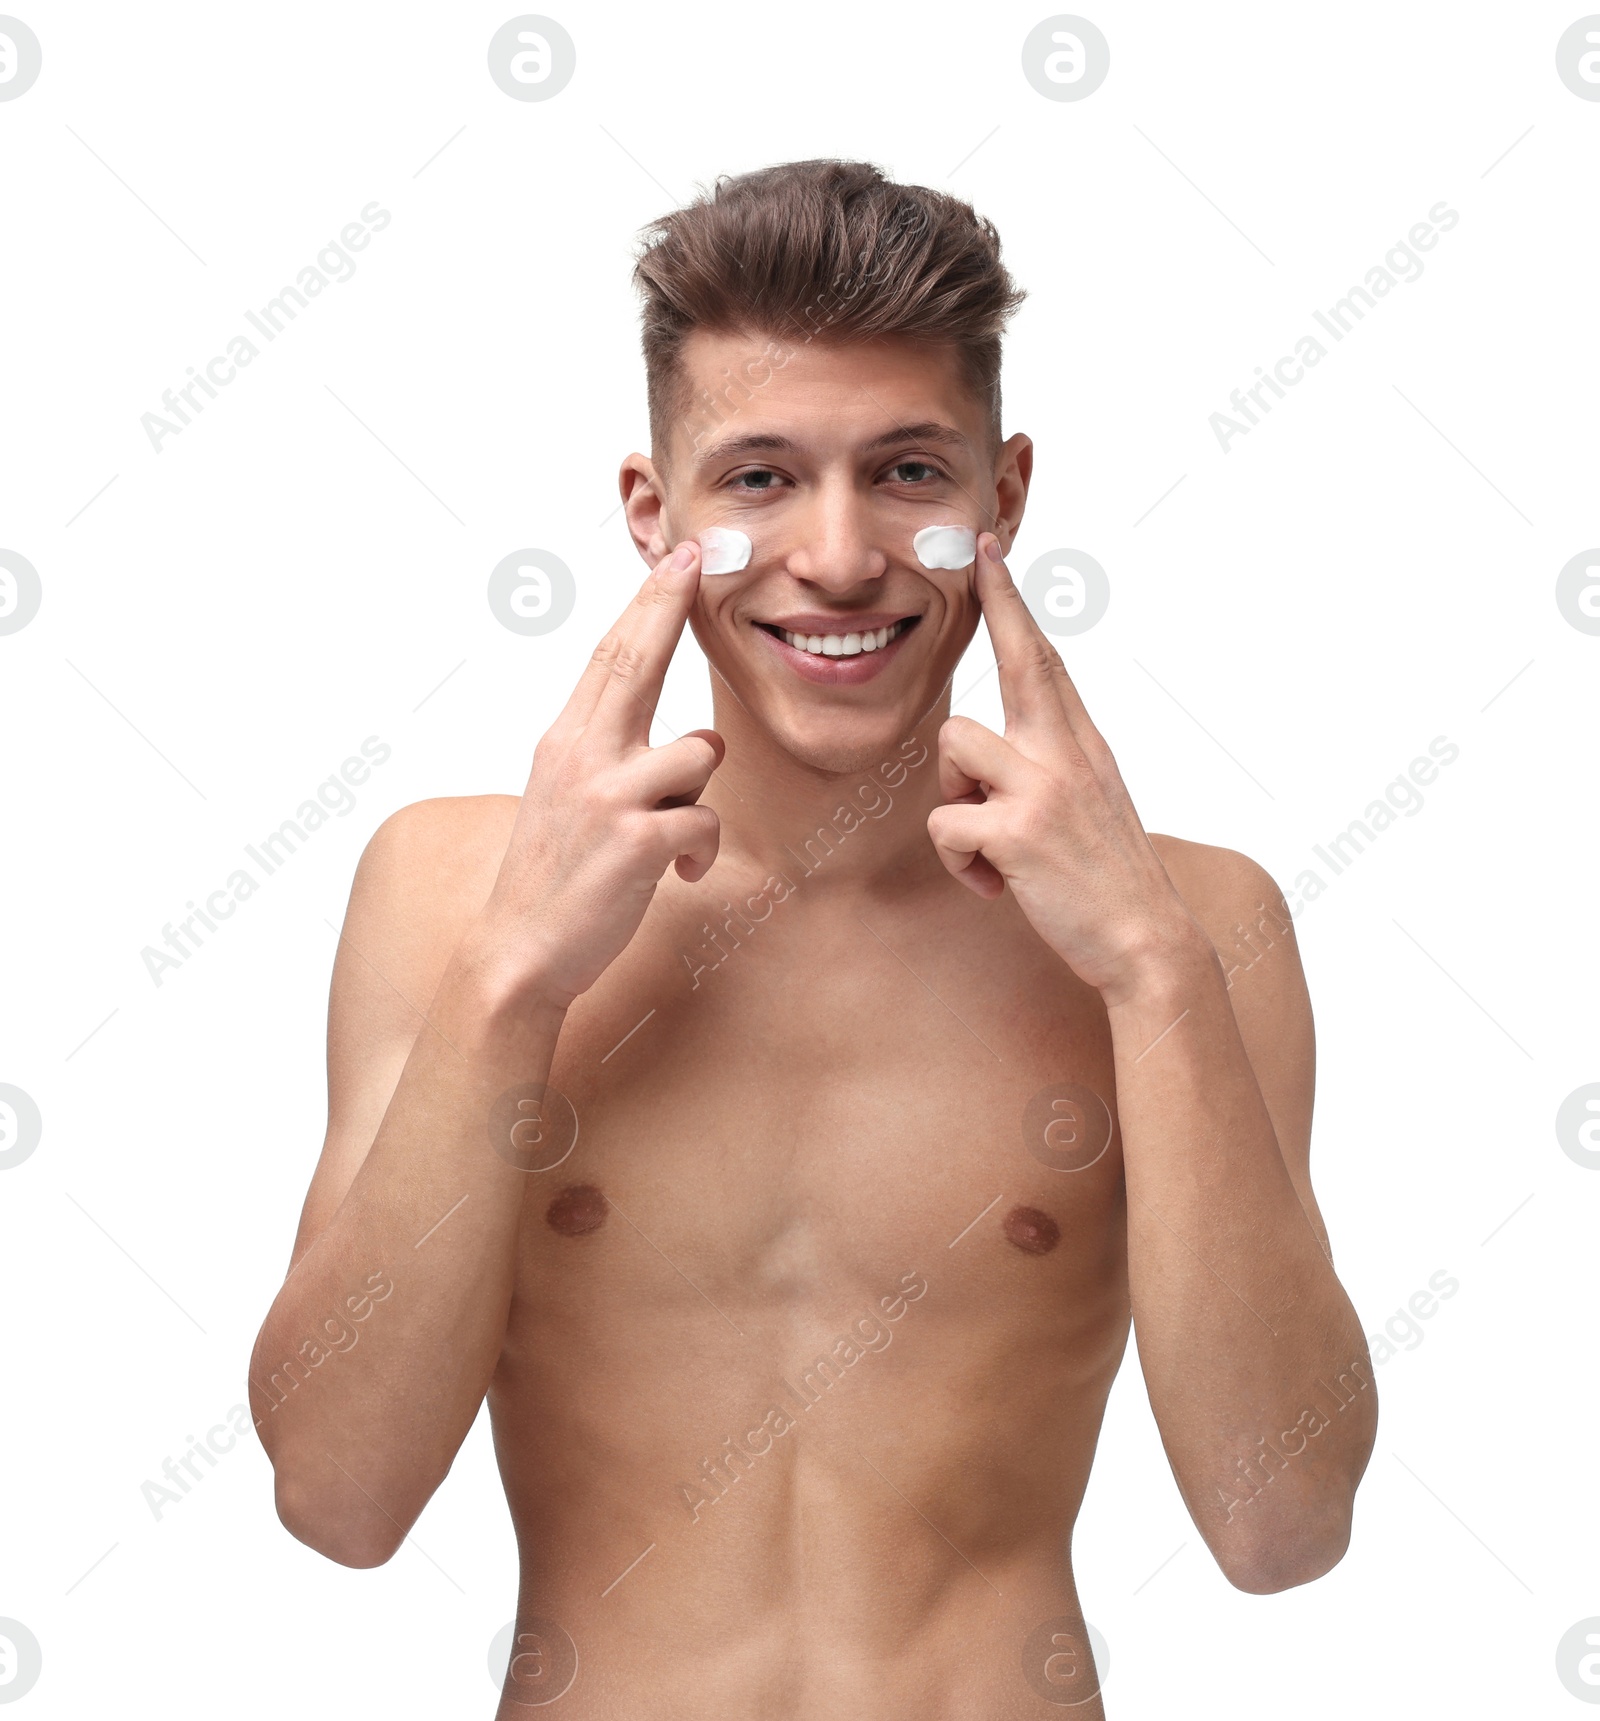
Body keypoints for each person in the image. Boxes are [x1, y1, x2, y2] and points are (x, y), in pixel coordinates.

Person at [248, 158, 1376, 1719]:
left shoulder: (1200, 924)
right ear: (656, 512)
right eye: (761, 477)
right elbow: (335, 1495)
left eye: (910, 471)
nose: (838, 556)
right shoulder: (450, 890)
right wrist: (514, 980)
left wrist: (1154, 973)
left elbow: (1282, 1523)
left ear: (1006, 494)